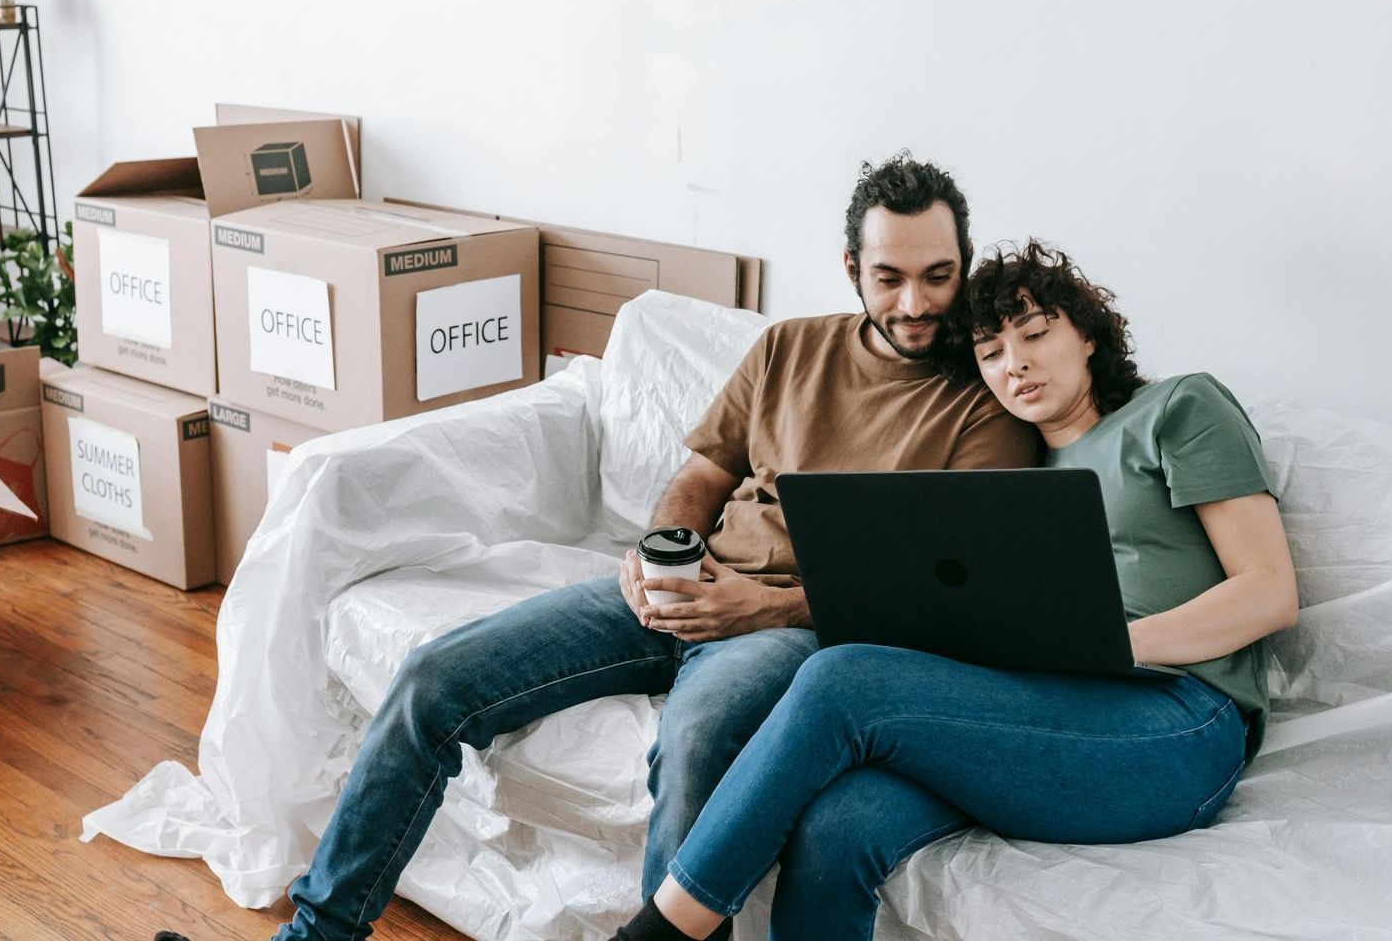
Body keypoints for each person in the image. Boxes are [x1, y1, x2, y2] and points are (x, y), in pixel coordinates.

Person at [147, 156, 1037, 941]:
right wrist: (659, 550)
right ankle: (317, 934)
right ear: (851, 267)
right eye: (889, 277)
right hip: (683, 587)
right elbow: (704, 471)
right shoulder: (790, 349)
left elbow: (938, 591)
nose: (915, 303)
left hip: (793, 629)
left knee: (694, 742)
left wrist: (763, 607)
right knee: (435, 682)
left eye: (938, 276)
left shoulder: (987, 404)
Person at [609, 240, 1299, 941]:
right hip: (1043, 707)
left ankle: (659, 935)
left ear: (1088, 335)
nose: (1016, 363)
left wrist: (1110, 645)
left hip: (1179, 723)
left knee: (841, 678)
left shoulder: (1179, 408)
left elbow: (1270, 591)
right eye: (991, 352)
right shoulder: (1014, 475)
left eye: (1035, 334)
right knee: (836, 823)